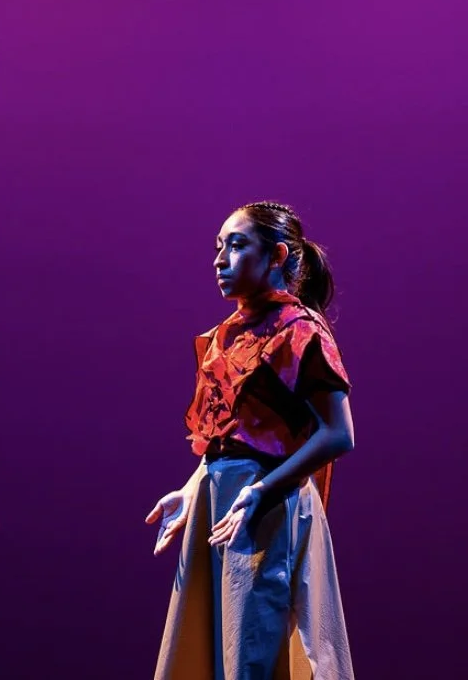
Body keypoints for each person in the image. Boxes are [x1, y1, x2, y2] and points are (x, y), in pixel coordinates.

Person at [146, 201, 357, 679]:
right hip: (221, 502)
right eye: (219, 247)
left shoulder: (299, 331)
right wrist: (194, 486)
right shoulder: (226, 337)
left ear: (277, 255)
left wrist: (261, 491)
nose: (220, 259)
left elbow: (338, 433)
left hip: (265, 503)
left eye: (237, 245)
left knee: (253, 655)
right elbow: (227, 437)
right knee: (207, 656)